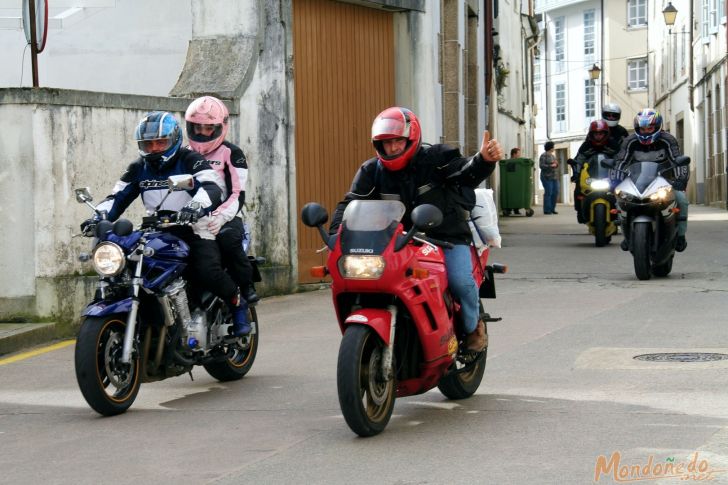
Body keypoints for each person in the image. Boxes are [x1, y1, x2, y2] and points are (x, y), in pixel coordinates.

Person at [328, 107, 504, 352]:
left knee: (460, 281)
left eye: (398, 141)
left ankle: (474, 327)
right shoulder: (371, 171)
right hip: (396, 242)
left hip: (445, 237)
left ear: (411, 138)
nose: (392, 148)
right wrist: (337, 234)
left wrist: (483, 160)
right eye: (386, 143)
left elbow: (464, 172)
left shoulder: (437, 159)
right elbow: (351, 203)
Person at [83, 111, 252, 336]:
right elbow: (117, 197)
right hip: (157, 230)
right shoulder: (139, 168)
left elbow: (212, 187)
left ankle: (237, 302)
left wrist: (195, 207)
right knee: (126, 264)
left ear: (174, 140)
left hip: (194, 227)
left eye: (160, 142)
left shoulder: (189, 159)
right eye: (148, 143)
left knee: (207, 270)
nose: (154, 148)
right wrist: (98, 217)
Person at [184, 96, 259, 306]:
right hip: (195, 217)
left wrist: (221, 216)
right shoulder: (184, 154)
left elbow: (238, 193)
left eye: (207, 128)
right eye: (196, 128)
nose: (201, 133)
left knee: (228, 240)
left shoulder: (232, 153)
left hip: (228, 215)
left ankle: (245, 289)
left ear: (220, 127)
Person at [614, 108, 688, 252]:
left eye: (650, 128)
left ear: (657, 126)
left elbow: (677, 160)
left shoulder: (668, 139)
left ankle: (681, 236)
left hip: (664, 181)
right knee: (619, 199)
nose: (646, 131)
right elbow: (621, 161)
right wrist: (615, 180)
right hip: (636, 181)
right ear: (637, 128)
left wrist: (681, 180)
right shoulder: (630, 141)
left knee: (682, 200)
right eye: (643, 128)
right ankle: (626, 235)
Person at [569, 120, 619, 222]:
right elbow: (579, 159)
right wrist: (576, 172)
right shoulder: (586, 145)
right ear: (591, 134)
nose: (598, 136)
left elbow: (620, 159)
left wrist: (621, 171)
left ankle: (621, 211)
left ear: (606, 134)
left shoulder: (613, 145)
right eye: (596, 134)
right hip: (590, 175)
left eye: (601, 134)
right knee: (578, 188)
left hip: (609, 175)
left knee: (622, 191)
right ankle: (580, 210)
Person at [539, 141, 559, 215]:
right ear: (550, 147)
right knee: (549, 192)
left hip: (554, 177)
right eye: (553, 146)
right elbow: (541, 165)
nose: (554, 148)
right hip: (546, 177)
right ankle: (547, 210)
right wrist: (550, 166)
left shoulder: (553, 156)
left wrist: (556, 164)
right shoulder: (544, 155)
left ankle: (552, 209)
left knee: (555, 192)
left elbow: (556, 164)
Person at [509, 147, 523, 214]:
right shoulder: (510, 162)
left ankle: (516, 209)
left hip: (516, 181)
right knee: (511, 194)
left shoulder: (518, 162)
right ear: (514, 154)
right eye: (518, 153)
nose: (520, 155)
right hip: (511, 182)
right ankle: (509, 208)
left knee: (516, 194)